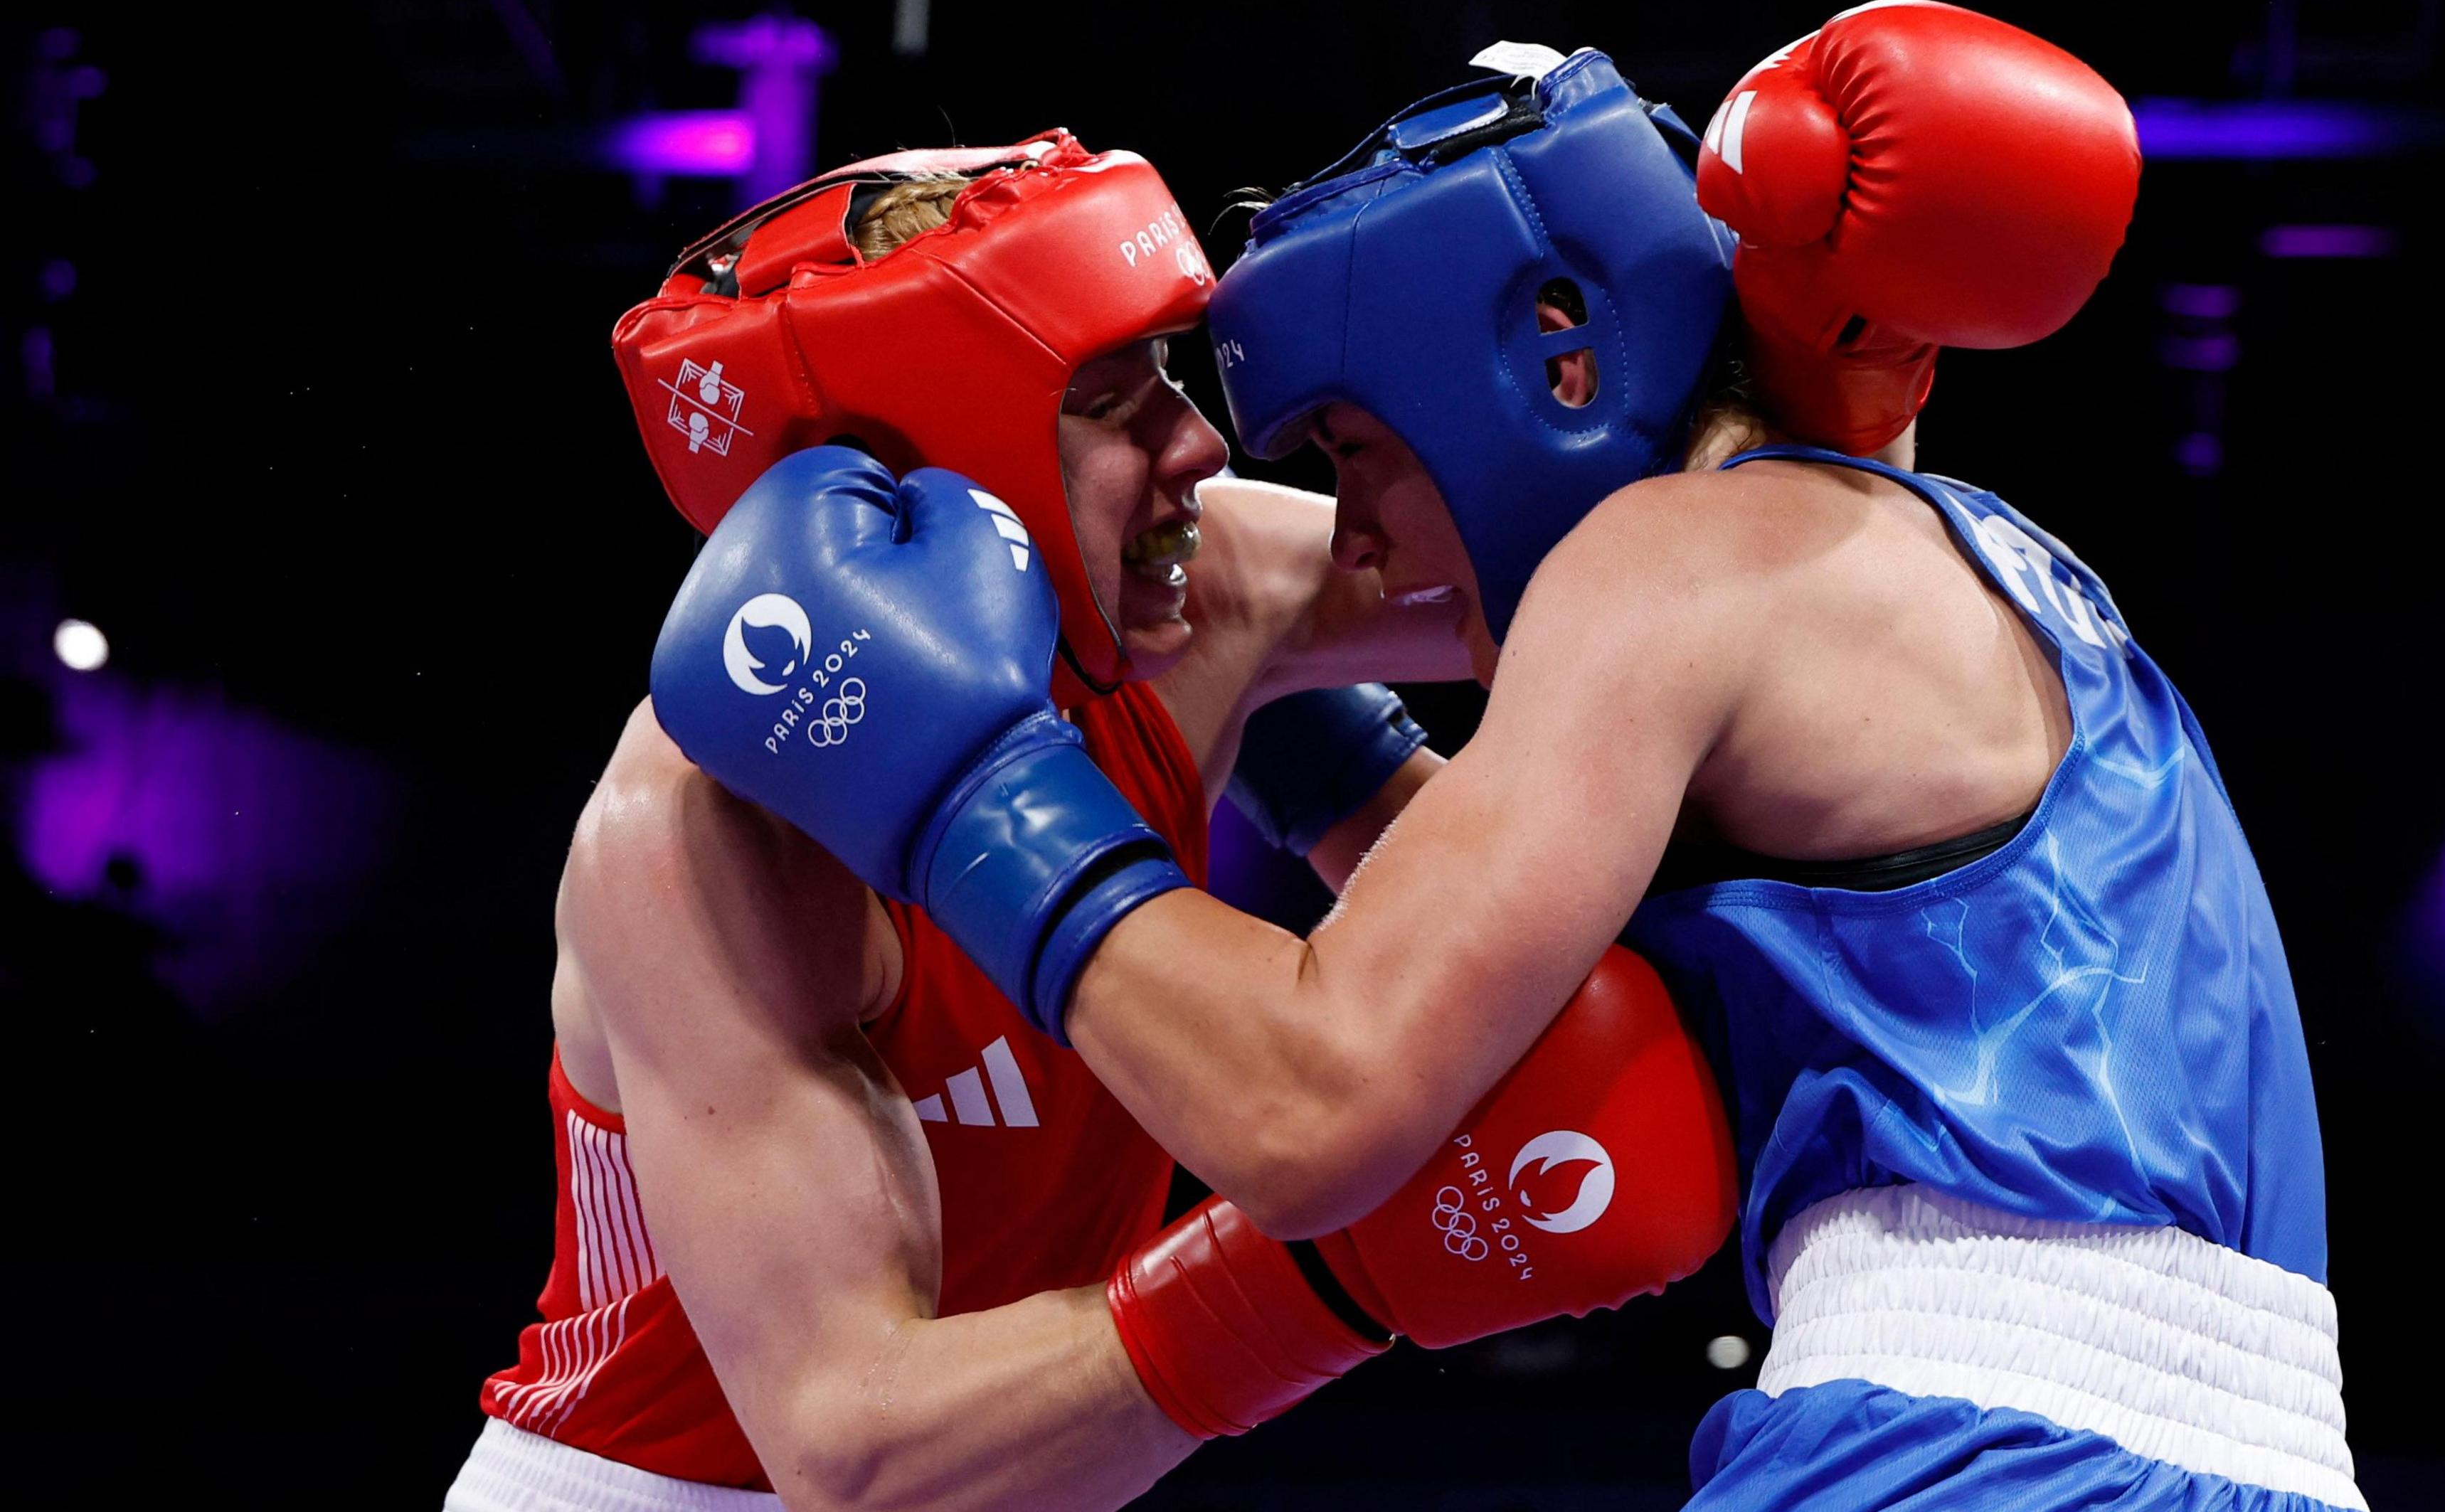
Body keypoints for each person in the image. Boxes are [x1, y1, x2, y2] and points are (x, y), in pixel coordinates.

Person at [649, 1, 2365, 1512]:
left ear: (1543, 366)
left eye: (1348, 451)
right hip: (2267, 1454)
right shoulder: (1931, 551)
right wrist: (1301, 750)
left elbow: (1306, 1106)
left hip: (1963, 1448)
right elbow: (1517, 952)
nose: (1357, 552)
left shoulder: (1656, 564)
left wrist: (977, 795)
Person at [454, 132, 1734, 1511]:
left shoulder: (1209, 600)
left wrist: (1767, 368)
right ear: (929, 462)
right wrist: (1334, 1277)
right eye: (1110, 406)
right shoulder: (707, 835)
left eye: (1168, 379)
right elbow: (848, 1446)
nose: (1196, 446)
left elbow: (1643, 577)